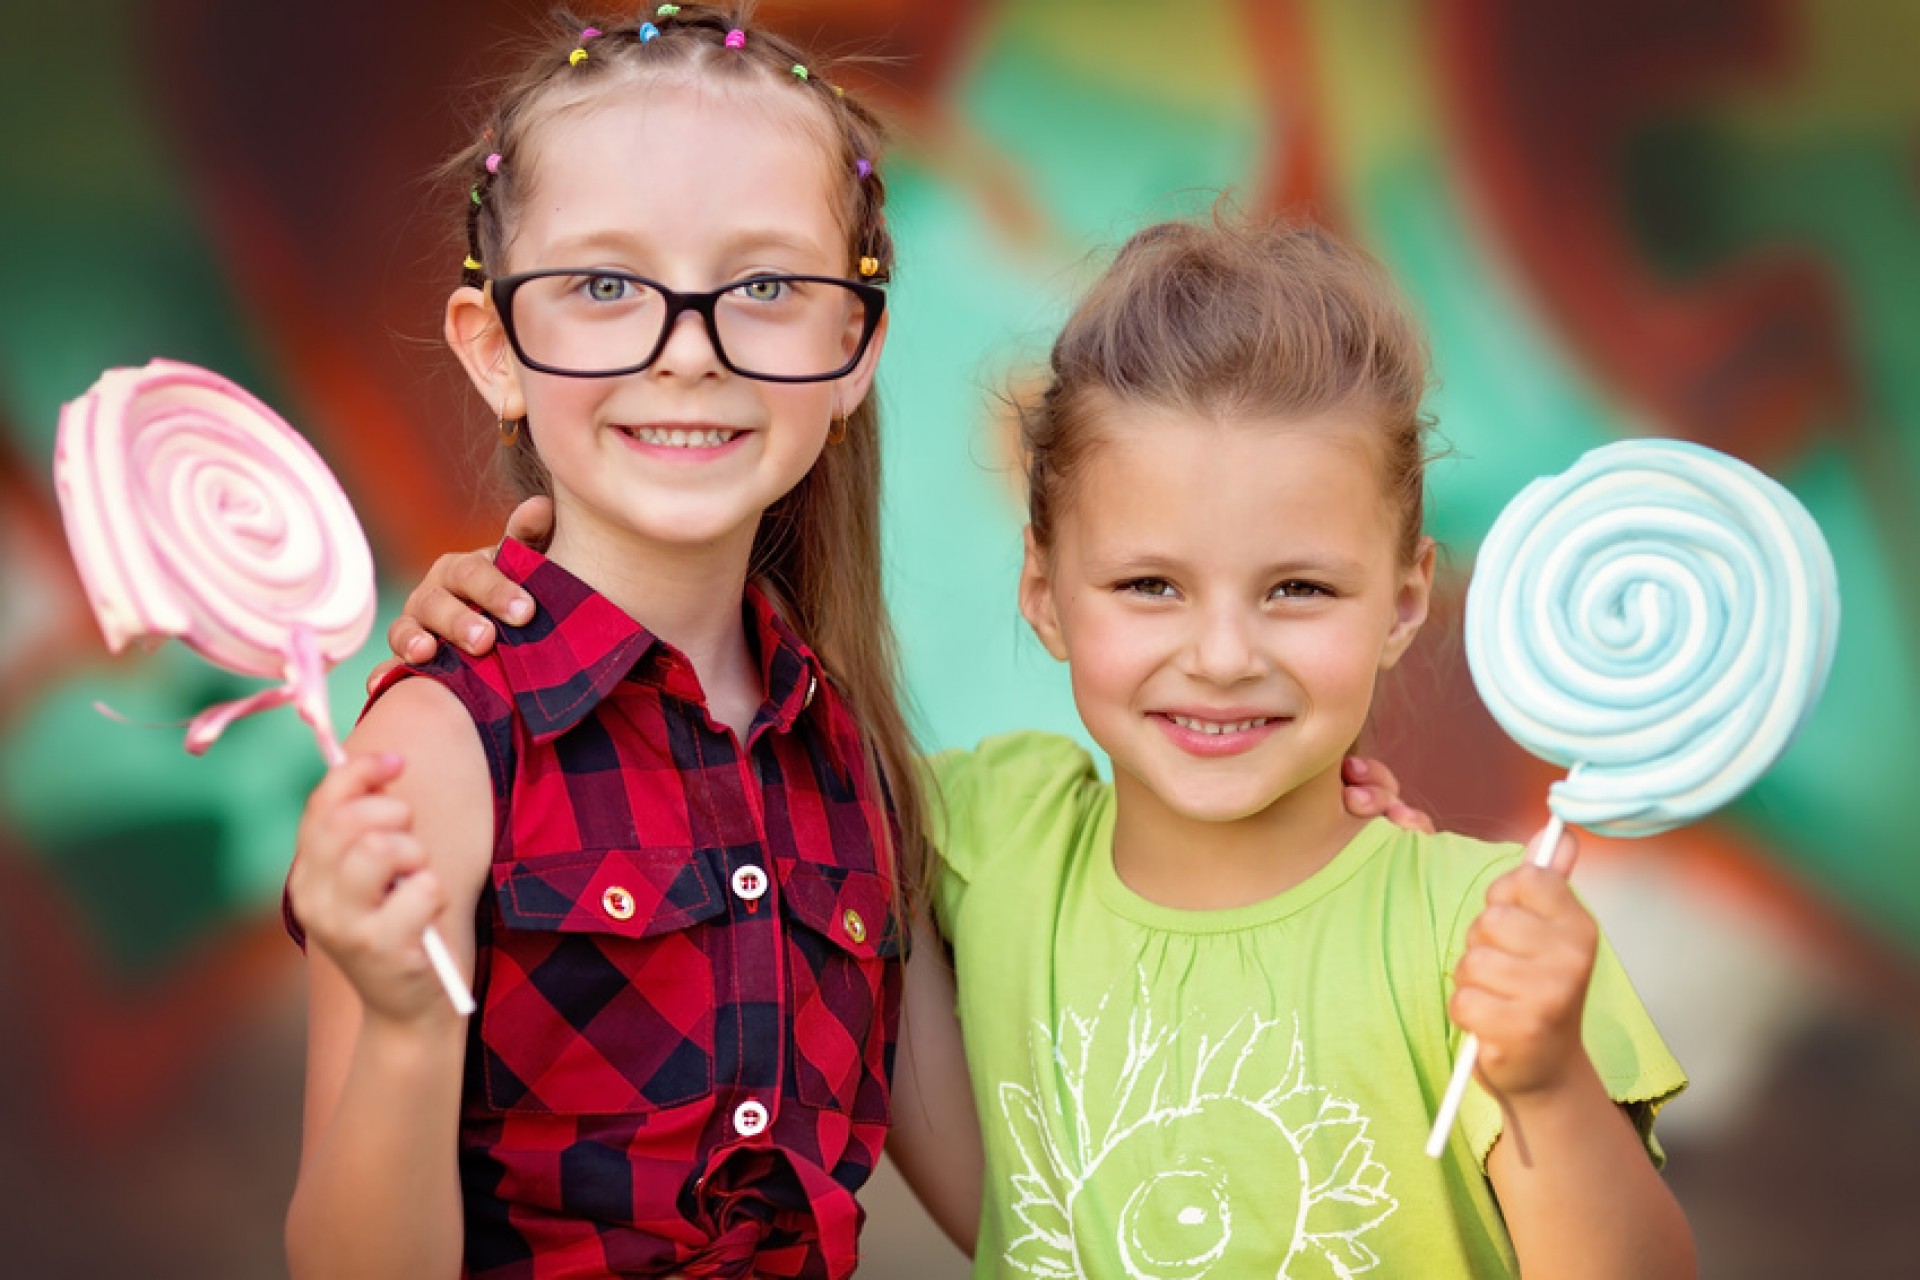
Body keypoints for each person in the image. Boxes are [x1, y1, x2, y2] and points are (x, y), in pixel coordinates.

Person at [381, 213, 1694, 1275]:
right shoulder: (976, 833)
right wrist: (513, 614)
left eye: (1299, 589)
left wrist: (1547, 1081)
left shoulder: (1486, 932)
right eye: (1149, 587)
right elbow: (708, 768)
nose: (1224, 654)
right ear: (1043, 593)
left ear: (1406, 597)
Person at [284, 8, 966, 1277]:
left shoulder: (850, 757)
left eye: (763, 286)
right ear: (497, 351)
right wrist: (404, 1023)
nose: (690, 352)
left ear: (853, 346)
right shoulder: (442, 746)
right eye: (605, 285)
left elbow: (1014, 1197)